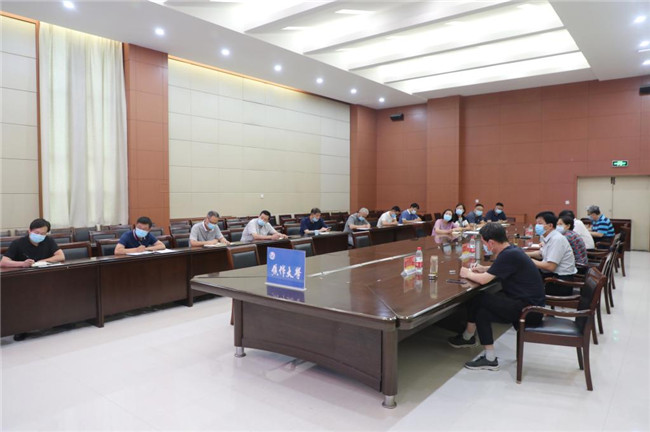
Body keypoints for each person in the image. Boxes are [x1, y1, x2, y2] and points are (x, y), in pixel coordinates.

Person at [449, 223, 545, 371]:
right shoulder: (512, 250)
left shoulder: (508, 255)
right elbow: (503, 267)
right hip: (529, 306)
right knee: (482, 312)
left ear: (491, 242)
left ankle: (467, 336)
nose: (485, 246)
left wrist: (467, 273)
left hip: (528, 310)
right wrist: (483, 268)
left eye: (484, 243)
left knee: (477, 297)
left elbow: (483, 280)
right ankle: (489, 358)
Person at [525, 212, 576, 295]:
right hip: (552, 276)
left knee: (523, 284)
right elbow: (541, 253)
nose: (537, 226)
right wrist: (524, 254)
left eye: (540, 223)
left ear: (550, 226)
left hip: (559, 282)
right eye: (536, 223)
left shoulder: (557, 239)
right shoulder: (549, 236)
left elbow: (550, 266)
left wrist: (528, 260)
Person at [1, 218, 65, 268]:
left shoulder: (48, 240)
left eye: (43, 233)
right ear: (29, 231)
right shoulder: (17, 243)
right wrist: (23, 264)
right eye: (37, 233)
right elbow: (3, 262)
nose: (39, 235)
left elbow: (61, 256)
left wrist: (42, 261)